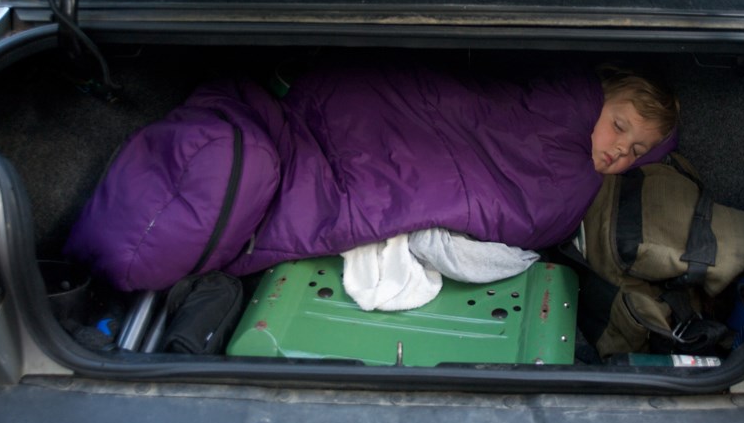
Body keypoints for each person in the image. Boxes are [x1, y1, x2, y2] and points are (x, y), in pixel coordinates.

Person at [66, 57, 679, 291]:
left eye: (638, 150)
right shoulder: (553, 100)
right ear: (597, 94)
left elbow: (529, 215)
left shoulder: (578, 184)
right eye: (619, 125)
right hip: (328, 120)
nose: (619, 152)